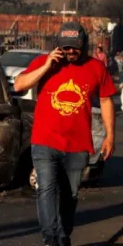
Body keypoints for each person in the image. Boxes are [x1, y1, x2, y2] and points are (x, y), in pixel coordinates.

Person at [14, 22, 117, 246]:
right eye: (66, 47)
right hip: (45, 141)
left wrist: (110, 136)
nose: (70, 52)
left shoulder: (96, 68)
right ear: (58, 46)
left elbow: (107, 99)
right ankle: (50, 238)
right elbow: (20, 85)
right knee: (47, 189)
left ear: (84, 45)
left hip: (78, 144)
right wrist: (47, 66)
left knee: (70, 194)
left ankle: (64, 234)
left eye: (75, 48)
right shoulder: (44, 62)